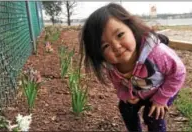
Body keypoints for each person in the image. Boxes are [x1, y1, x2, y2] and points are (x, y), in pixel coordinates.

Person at [79, 3, 186, 132]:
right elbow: (119, 85)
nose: (116, 47)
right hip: (139, 91)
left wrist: (161, 99)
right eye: (105, 46)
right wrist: (126, 95)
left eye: (119, 35)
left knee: (152, 114)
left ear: (131, 28)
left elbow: (178, 73)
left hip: (163, 88)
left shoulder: (157, 54)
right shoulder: (112, 68)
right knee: (125, 108)